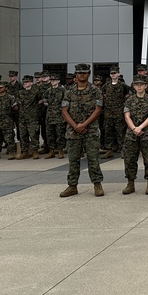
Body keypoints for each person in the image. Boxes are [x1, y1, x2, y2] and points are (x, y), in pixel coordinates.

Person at [60, 63, 105, 198]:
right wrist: (75, 126)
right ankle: (72, 186)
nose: (81, 75)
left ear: (88, 74)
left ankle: (97, 185)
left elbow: (98, 110)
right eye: (79, 73)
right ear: (76, 74)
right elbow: (64, 110)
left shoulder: (95, 90)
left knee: (93, 159)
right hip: (73, 132)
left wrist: (84, 124)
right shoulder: (69, 91)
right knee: (73, 160)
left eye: (84, 73)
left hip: (90, 130)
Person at [122, 75, 148, 194]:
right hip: (132, 134)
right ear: (133, 86)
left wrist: (140, 127)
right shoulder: (129, 100)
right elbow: (127, 116)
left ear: (146, 86)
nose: (139, 86)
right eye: (137, 84)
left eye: (141, 84)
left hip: (147, 133)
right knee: (130, 160)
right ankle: (130, 183)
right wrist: (134, 128)